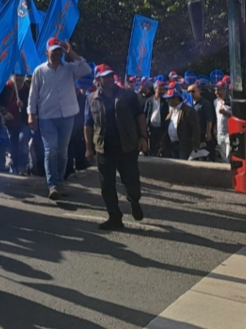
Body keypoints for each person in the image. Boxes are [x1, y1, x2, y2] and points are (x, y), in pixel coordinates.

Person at [84, 64, 149, 230]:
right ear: (98, 79)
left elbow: (140, 116)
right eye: (105, 76)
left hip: (126, 145)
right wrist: (89, 148)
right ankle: (114, 216)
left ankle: (134, 200)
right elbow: (88, 124)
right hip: (103, 148)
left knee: (131, 180)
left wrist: (143, 137)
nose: (109, 79)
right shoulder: (91, 99)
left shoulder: (128, 96)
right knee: (107, 185)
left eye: (111, 76)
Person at [27, 38, 92, 200]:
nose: (56, 53)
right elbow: (33, 94)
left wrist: (73, 54)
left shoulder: (70, 68)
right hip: (47, 116)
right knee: (51, 150)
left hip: (67, 115)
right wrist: (31, 114)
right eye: (53, 50)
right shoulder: (39, 71)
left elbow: (86, 70)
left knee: (62, 152)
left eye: (59, 50)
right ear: (47, 52)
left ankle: (60, 181)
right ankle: (52, 185)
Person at [160, 84, 201, 161]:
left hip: (184, 145)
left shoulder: (188, 111)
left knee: (184, 166)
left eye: (169, 99)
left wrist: (195, 146)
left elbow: (195, 129)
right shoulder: (171, 111)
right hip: (172, 144)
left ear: (176, 99)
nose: (167, 101)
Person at [187, 83, 214, 160]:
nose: (191, 94)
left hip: (202, 133)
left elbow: (209, 119)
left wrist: (208, 132)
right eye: (189, 92)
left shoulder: (205, 103)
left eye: (193, 91)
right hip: (193, 134)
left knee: (204, 155)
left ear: (199, 91)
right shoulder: (190, 104)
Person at [143, 81, 169, 156]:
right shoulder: (149, 101)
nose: (161, 91)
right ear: (155, 89)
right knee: (152, 147)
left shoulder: (165, 101)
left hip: (162, 128)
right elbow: (145, 113)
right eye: (160, 88)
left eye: (163, 89)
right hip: (151, 128)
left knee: (161, 146)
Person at [215, 82, 232, 162]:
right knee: (223, 157)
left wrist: (226, 113)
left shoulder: (232, 101)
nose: (217, 92)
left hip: (229, 132)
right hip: (220, 132)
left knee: (228, 154)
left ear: (225, 90)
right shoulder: (215, 102)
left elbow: (237, 116)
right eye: (216, 90)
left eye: (219, 90)